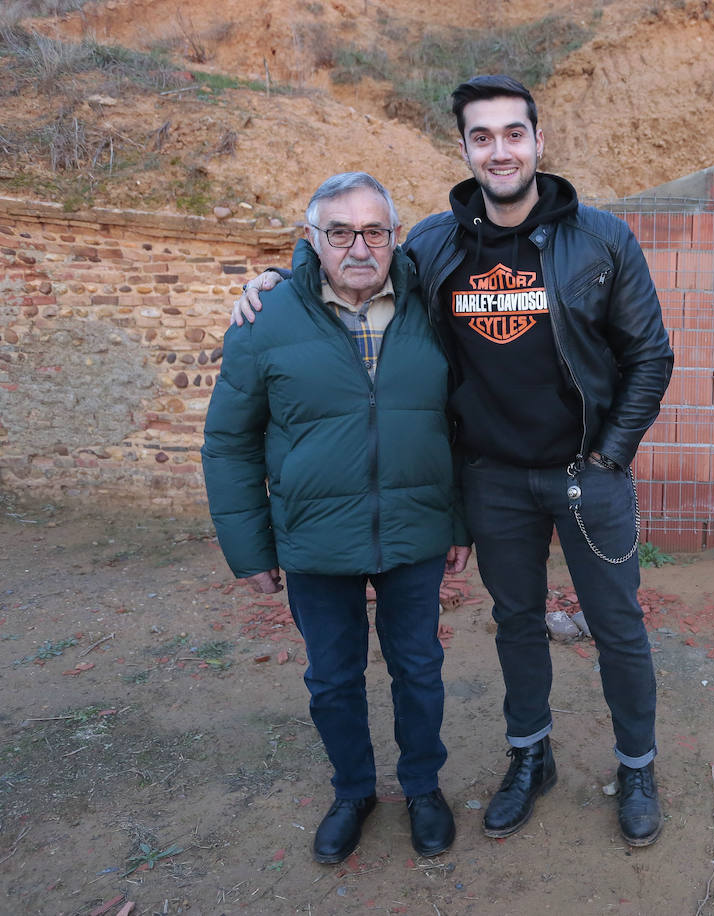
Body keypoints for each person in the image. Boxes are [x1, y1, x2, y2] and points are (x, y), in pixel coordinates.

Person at [233, 76, 674, 846]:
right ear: (464, 149)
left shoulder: (600, 238)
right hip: (493, 480)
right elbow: (350, 270)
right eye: (482, 136)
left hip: (587, 474)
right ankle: (530, 757)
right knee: (516, 621)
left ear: (539, 142)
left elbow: (650, 355)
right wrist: (278, 279)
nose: (499, 150)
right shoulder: (436, 244)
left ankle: (636, 764)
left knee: (619, 624)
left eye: (513, 133)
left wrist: (609, 454)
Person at [205, 172, 470, 864]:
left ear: (396, 237)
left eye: (375, 230)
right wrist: (249, 548)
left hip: (414, 527)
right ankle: (353, 790)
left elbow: (463, 424)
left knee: (419, 667)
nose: (360, 246)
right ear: (312, 239)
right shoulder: (266, 320)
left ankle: (421, 787)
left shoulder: (432, 309)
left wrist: (459, 523)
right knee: (333, 677)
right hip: (316, 538)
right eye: (341, 232)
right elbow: (229, 441)